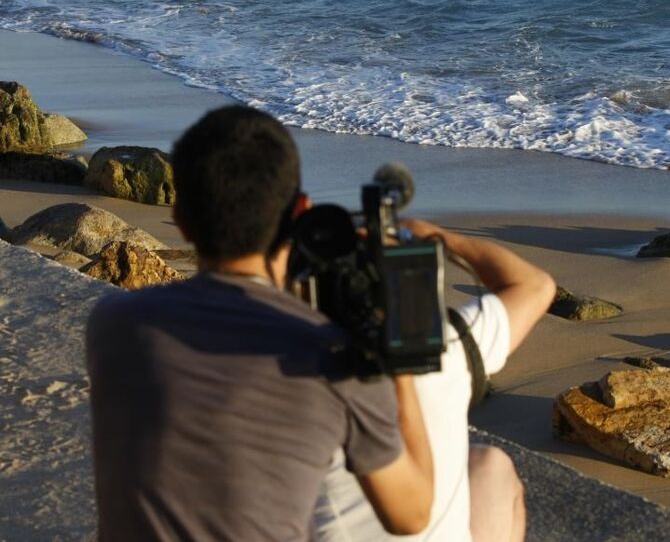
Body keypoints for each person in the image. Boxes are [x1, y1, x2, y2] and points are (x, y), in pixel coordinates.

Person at [85, 106, 434, 541]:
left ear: (181, 219)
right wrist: (396, 360)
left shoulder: (114, 324)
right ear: (300, 212)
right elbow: (412, 514)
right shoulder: (333, 359)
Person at [314, 221, 556, 542]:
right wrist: (437, 237)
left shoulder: (281, 372)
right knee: (491, 465)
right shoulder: (445, 348)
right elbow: (536, 286)